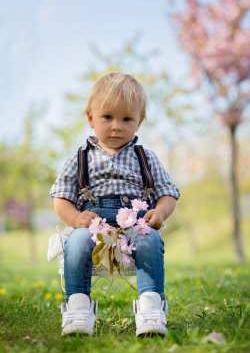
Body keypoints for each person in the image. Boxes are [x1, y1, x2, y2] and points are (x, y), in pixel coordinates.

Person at [50, 72, 180, 337]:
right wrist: (75, 219)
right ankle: (78, 306)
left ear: (139, 122)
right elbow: (61, 198)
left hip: (136, 224)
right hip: (92, 224)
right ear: (90, 118)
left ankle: (150, 307)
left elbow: (168, 192)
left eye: (127, 119)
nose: (116, 126)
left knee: (150, 241)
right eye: (107, 117)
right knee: (75, 243)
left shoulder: (146, 157)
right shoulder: (80, 158)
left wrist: (160, 211)